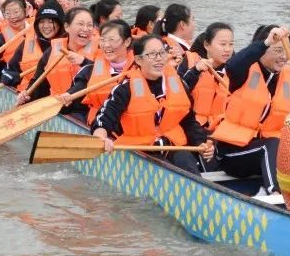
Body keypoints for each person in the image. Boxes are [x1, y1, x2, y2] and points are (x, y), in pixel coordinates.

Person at [91, 35, 214, 174]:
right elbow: (105, 117)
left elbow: (189, 121)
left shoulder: (178, 84)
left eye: (162, 53)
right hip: (139, 150)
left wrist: (201, 143)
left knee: (188, 164)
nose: (159, 58)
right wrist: (100, 136)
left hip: (170, 145)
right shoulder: (125, 89)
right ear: (138, 59)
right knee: (165, 169)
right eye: (152, 54)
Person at [211, 24, 290, 198]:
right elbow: (232, 65)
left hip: (267, 154)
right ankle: (274, 193)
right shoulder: (242, 74)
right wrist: (266, 42)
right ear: (262, 50)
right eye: (278, 50)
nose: (284, 57)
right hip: (232, 154)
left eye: (286, 51)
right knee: (269, 145)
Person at [19, 7, 102, 105]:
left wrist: (85, 62)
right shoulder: (53, 50)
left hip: (84, 110)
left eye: (90, 25)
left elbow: (100, 76)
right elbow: (39, 83)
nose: (85, 29)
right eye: (80, 24)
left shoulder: (101, 49)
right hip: (58, 106)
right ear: (67, 27)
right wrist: (27, 95)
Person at [59, 19, 134, 124]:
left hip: (133, 127)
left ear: (127, 41)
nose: (106, 45)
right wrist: (68, 96)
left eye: (112, 40)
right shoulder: (90, 70)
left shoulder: (141, 68)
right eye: (103, 40)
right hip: (100, 125)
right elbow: (79, 88)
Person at [182, 22, 234, 133]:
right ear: (206, 45)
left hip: (220, 130)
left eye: (231, 44)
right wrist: (195, 71)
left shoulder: (234, 70)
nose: (228, 49)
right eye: (223, 44)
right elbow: (178, 93)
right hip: (192, 127)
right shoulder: (189, 62)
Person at [1, 2, 66, 89]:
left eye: (51, 22)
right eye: (42, 22)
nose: (46, 26)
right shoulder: (29, 44)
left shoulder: (70, 44)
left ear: (60, 24)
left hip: (61, 97)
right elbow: (8, 70)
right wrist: (9, 77)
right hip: (30, 95)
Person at [157, 3, 197, 72]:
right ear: (183, 24)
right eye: (193, 20)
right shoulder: (171, 51)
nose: (195, 24)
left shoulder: (183, 45)